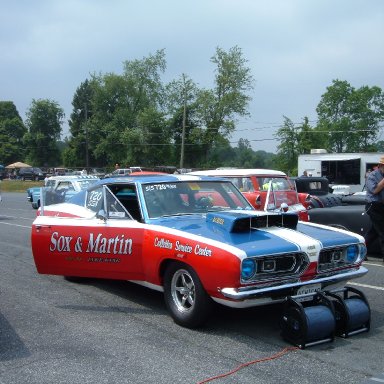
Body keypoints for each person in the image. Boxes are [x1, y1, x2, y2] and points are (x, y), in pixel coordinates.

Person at [364, 156, 384, 261]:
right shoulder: (372, 176)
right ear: (380, 166)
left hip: (381, 206)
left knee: (374, 232)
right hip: (374, 205)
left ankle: (362, 252)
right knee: (382, 231)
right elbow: (375, 190)